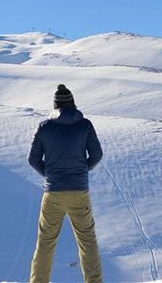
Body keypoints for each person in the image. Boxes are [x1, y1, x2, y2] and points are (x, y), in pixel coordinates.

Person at [28, 84, 104, 283]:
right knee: (87, 242)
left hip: (53, 193)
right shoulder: (85, 125)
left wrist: (51, 175)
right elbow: (96, 155)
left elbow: (33, 159)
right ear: (73, 103)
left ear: (55, 105)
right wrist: (81, 171)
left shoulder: (45, 127)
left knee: (45, 243)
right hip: (79, 192)